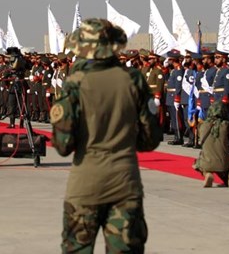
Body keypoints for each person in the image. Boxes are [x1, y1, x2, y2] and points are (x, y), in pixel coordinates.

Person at [51, 18, 163, 254]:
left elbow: (63, 145)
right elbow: (150, 140)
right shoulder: (133, 80)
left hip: (85, 184)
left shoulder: (73, 84)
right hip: (125, 183)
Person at [193, 101, 229, 188]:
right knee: (222, 169)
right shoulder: (226, 125)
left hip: (207, 161)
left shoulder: (203, 125)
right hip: (223, 161)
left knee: (197, 163)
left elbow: (200, 137)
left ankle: (207, 174)